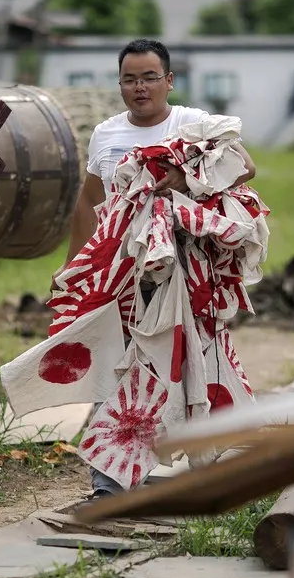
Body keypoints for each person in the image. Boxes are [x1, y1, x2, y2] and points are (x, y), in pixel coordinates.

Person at [50, 38, 259, 500]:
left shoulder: (193, 124)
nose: (139, 87)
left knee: (189, 369)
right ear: (119, 84)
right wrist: (74, 267)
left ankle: (212, 475)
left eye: (149, 77)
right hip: (122, 275)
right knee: (117, 368)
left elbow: (245, 167)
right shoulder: (106, 134)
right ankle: (112, 487)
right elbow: (89, 202)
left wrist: (188, 178)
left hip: (184, 274)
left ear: (169, 81)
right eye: (130, 79)